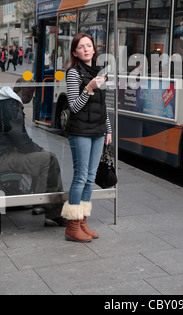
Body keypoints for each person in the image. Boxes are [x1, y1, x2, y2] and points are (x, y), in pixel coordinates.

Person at [61, 33, 112, 243]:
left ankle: (82, 222)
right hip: (80, 131)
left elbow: (103, 107)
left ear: (94, 49)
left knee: (91, 177)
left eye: (89, 45)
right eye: (81, 47)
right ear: (75, 52)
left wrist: (108, 129)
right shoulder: (73, 73)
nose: (86, 49)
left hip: (98, 131)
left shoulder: (99, 72)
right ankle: (72, 226)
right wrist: (89, 89)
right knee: (81, 176)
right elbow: (74, 106)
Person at [0, 80, 66, 227]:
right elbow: (20, 138)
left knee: (40, 158)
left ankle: (39, 202)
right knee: (49, 160)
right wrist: (40, 150)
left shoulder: (5, 101)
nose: (30, 96)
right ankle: (52, 212)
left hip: (4, 152)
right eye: (28, 92)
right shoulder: (10, 105)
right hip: (3, 157)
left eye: (32, 93)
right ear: (17, 88)